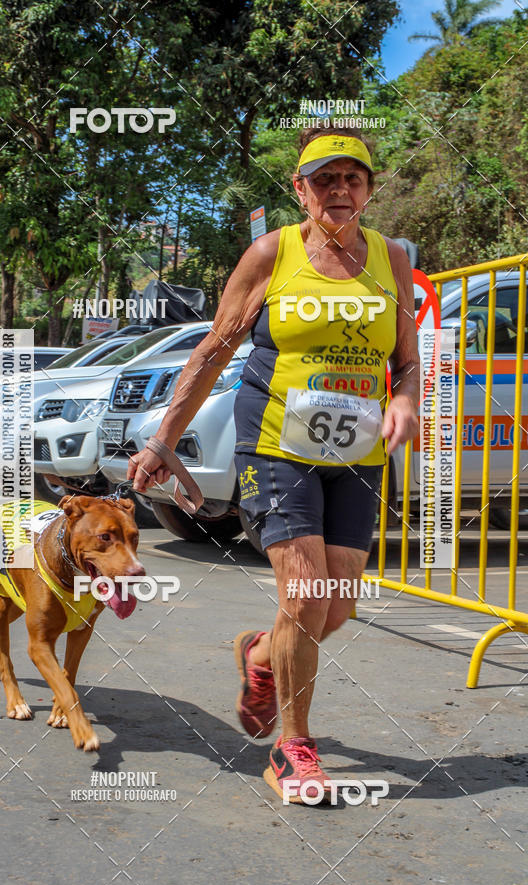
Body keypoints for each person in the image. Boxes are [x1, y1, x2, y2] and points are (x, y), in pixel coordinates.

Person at [127, 126, 420, 803]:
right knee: (306, 593)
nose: (338, 190)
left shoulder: (392, 260)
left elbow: (405, 363)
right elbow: (214, 349)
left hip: (358, 450)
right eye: (324, 179)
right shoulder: (273, 252)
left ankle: (261, 657)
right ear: (300, 189)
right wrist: (163, 442)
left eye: (352, 178)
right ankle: (295, 749)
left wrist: (406, 401)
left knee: (334, 607)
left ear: (369, 190)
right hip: (276, 443)